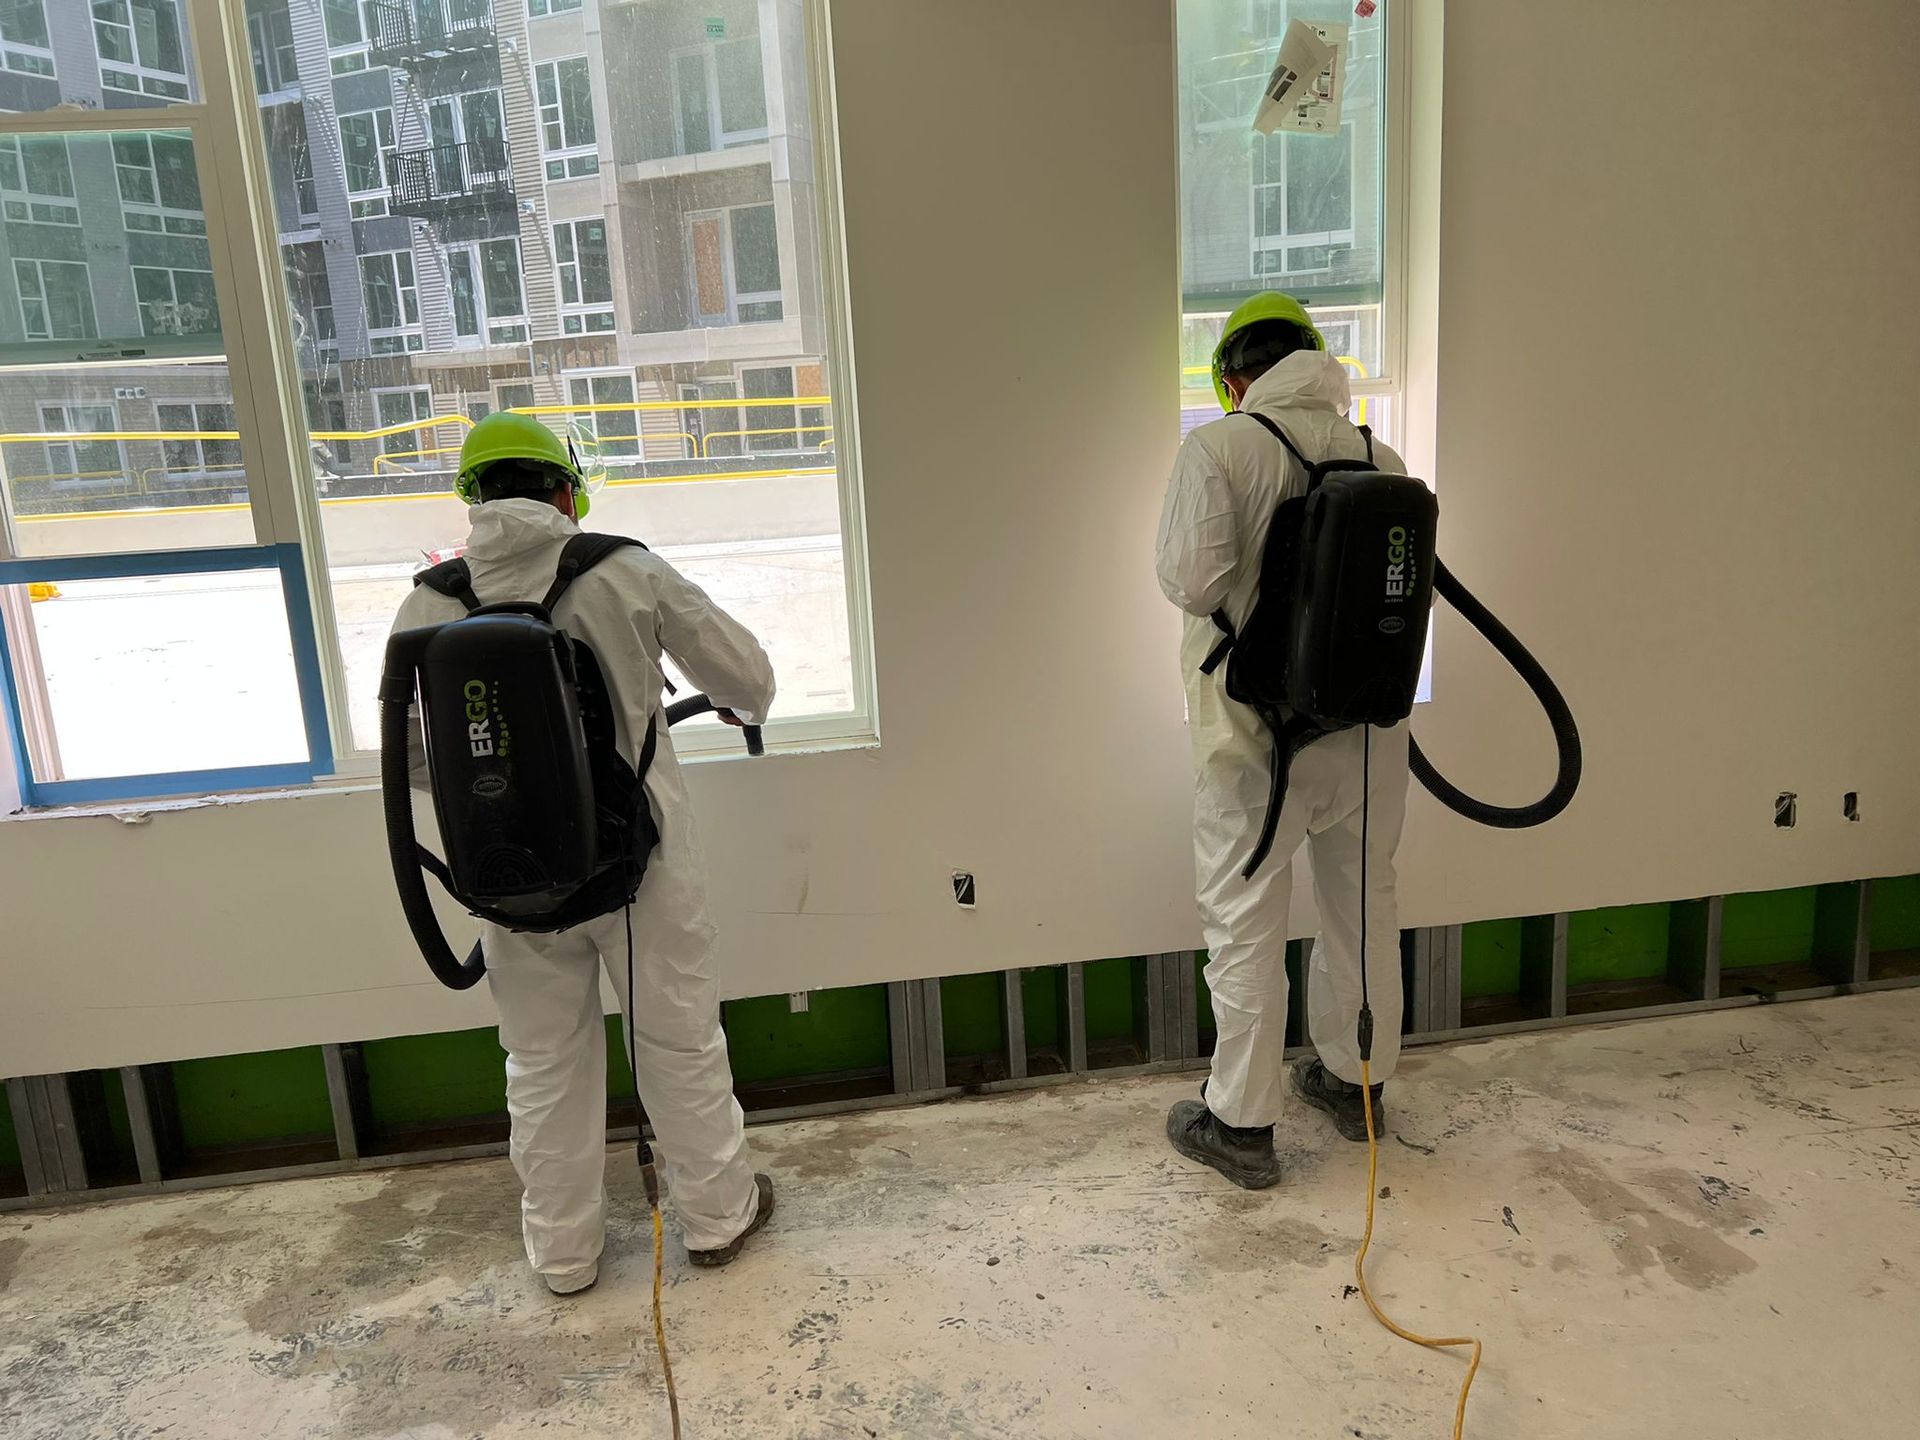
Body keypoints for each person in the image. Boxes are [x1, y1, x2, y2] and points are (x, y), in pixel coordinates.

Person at [390, 412, 777, 1290]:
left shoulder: (430, 601)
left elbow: (409, 756)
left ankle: (563, 1255)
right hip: (644, 869)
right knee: (676, 1045)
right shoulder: (624, 570)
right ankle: (717, 1221)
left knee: (542, 1063)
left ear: (472, 497)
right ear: (566, 489)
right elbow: (749, 682)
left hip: (509, 880)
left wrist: (510, 800)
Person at [1155, 293, 1413, 1190]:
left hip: (1253, 741)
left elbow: (1187, 584)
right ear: (1312, 359)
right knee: (1364, 906)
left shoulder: (1219, 449)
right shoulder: (1382, 455)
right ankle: (1358, 1083)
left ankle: (1242, 1123)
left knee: (1244, 926)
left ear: (1234, 377)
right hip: (1370, 740)